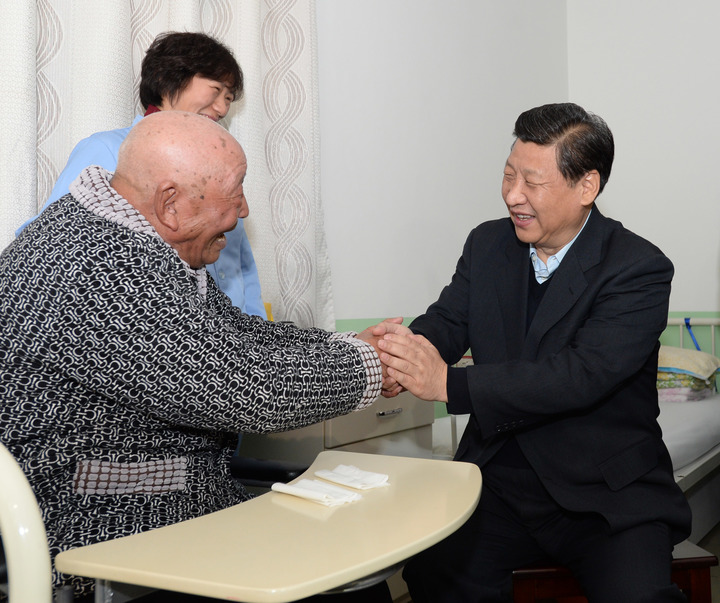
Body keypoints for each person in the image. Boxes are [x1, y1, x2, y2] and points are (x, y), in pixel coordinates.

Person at [0, 111, 393, 602]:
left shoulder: (132, 240)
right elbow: (250, 389)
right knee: (353, 583)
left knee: (357, 570)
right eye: (236, 190)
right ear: (171, 204)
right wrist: (372, 366)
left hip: (173, 503)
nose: (245, 208)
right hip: (106, 526)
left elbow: (239, 335)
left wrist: (349, 347)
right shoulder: (99, 267)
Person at [376, 103, 692, 602]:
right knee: (434, 574)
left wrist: (447, 384)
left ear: (586, 186)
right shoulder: (487, 244)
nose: (512, 195)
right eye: (508, 176)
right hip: (498, 483)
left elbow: (580, 374)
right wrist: (400, 353)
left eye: (532, 182)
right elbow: (449, 321)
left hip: (604, 496)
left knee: (639, 596)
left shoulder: (637, 267)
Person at [16, 31, 267, 318]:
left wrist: (257, 325)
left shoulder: (222, 167)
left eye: (229, 97)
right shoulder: (106, 150)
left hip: (232, 332)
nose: (222, 108)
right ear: (167, 80)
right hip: (155, 332)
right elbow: (50, 243)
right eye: (216, 89)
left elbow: (242, 265)